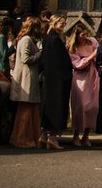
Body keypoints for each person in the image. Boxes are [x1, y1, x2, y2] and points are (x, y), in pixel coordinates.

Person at [9, 16, 44, 148]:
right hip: (26, 79)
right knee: (26, 110)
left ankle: (30, 138)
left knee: (29, 110)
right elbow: (26, 58)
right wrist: (40, 54)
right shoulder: (26, 40)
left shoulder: (27, 39)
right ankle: (22, 139)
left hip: (29, 78)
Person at [40, 13, 72, 149]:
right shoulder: (55, 40)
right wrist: (68, 75)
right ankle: (52, 137)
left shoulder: (47, 38)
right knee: (57, 107)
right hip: (58, 79)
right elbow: (62, 61)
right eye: (61, 23)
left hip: (50, 78)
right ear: (54, 24)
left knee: (48, 106)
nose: (63, 26)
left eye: (64, 23)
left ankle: (42, 136)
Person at [67, 25, 99, 148]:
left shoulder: (93, 41)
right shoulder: (73, 47)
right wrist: (91, 56)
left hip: (92, 76)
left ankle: (86, 135)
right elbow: (78, 65)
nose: (85, 37)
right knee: (79, 107)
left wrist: (94, 57)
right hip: (80, 78)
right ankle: (75, 135)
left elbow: (99, 55)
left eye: (86, 33)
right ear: (77, 36)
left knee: (92, 106)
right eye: (82, 35)